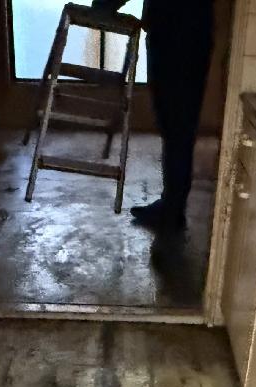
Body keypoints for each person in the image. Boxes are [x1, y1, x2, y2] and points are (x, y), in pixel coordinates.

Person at [92, 0, 215, 232]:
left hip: (176, 38)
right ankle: (173, 205)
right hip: (189, 33)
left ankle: (172, 210)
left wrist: (104, 5)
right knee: (178, 127)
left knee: (176, 126)